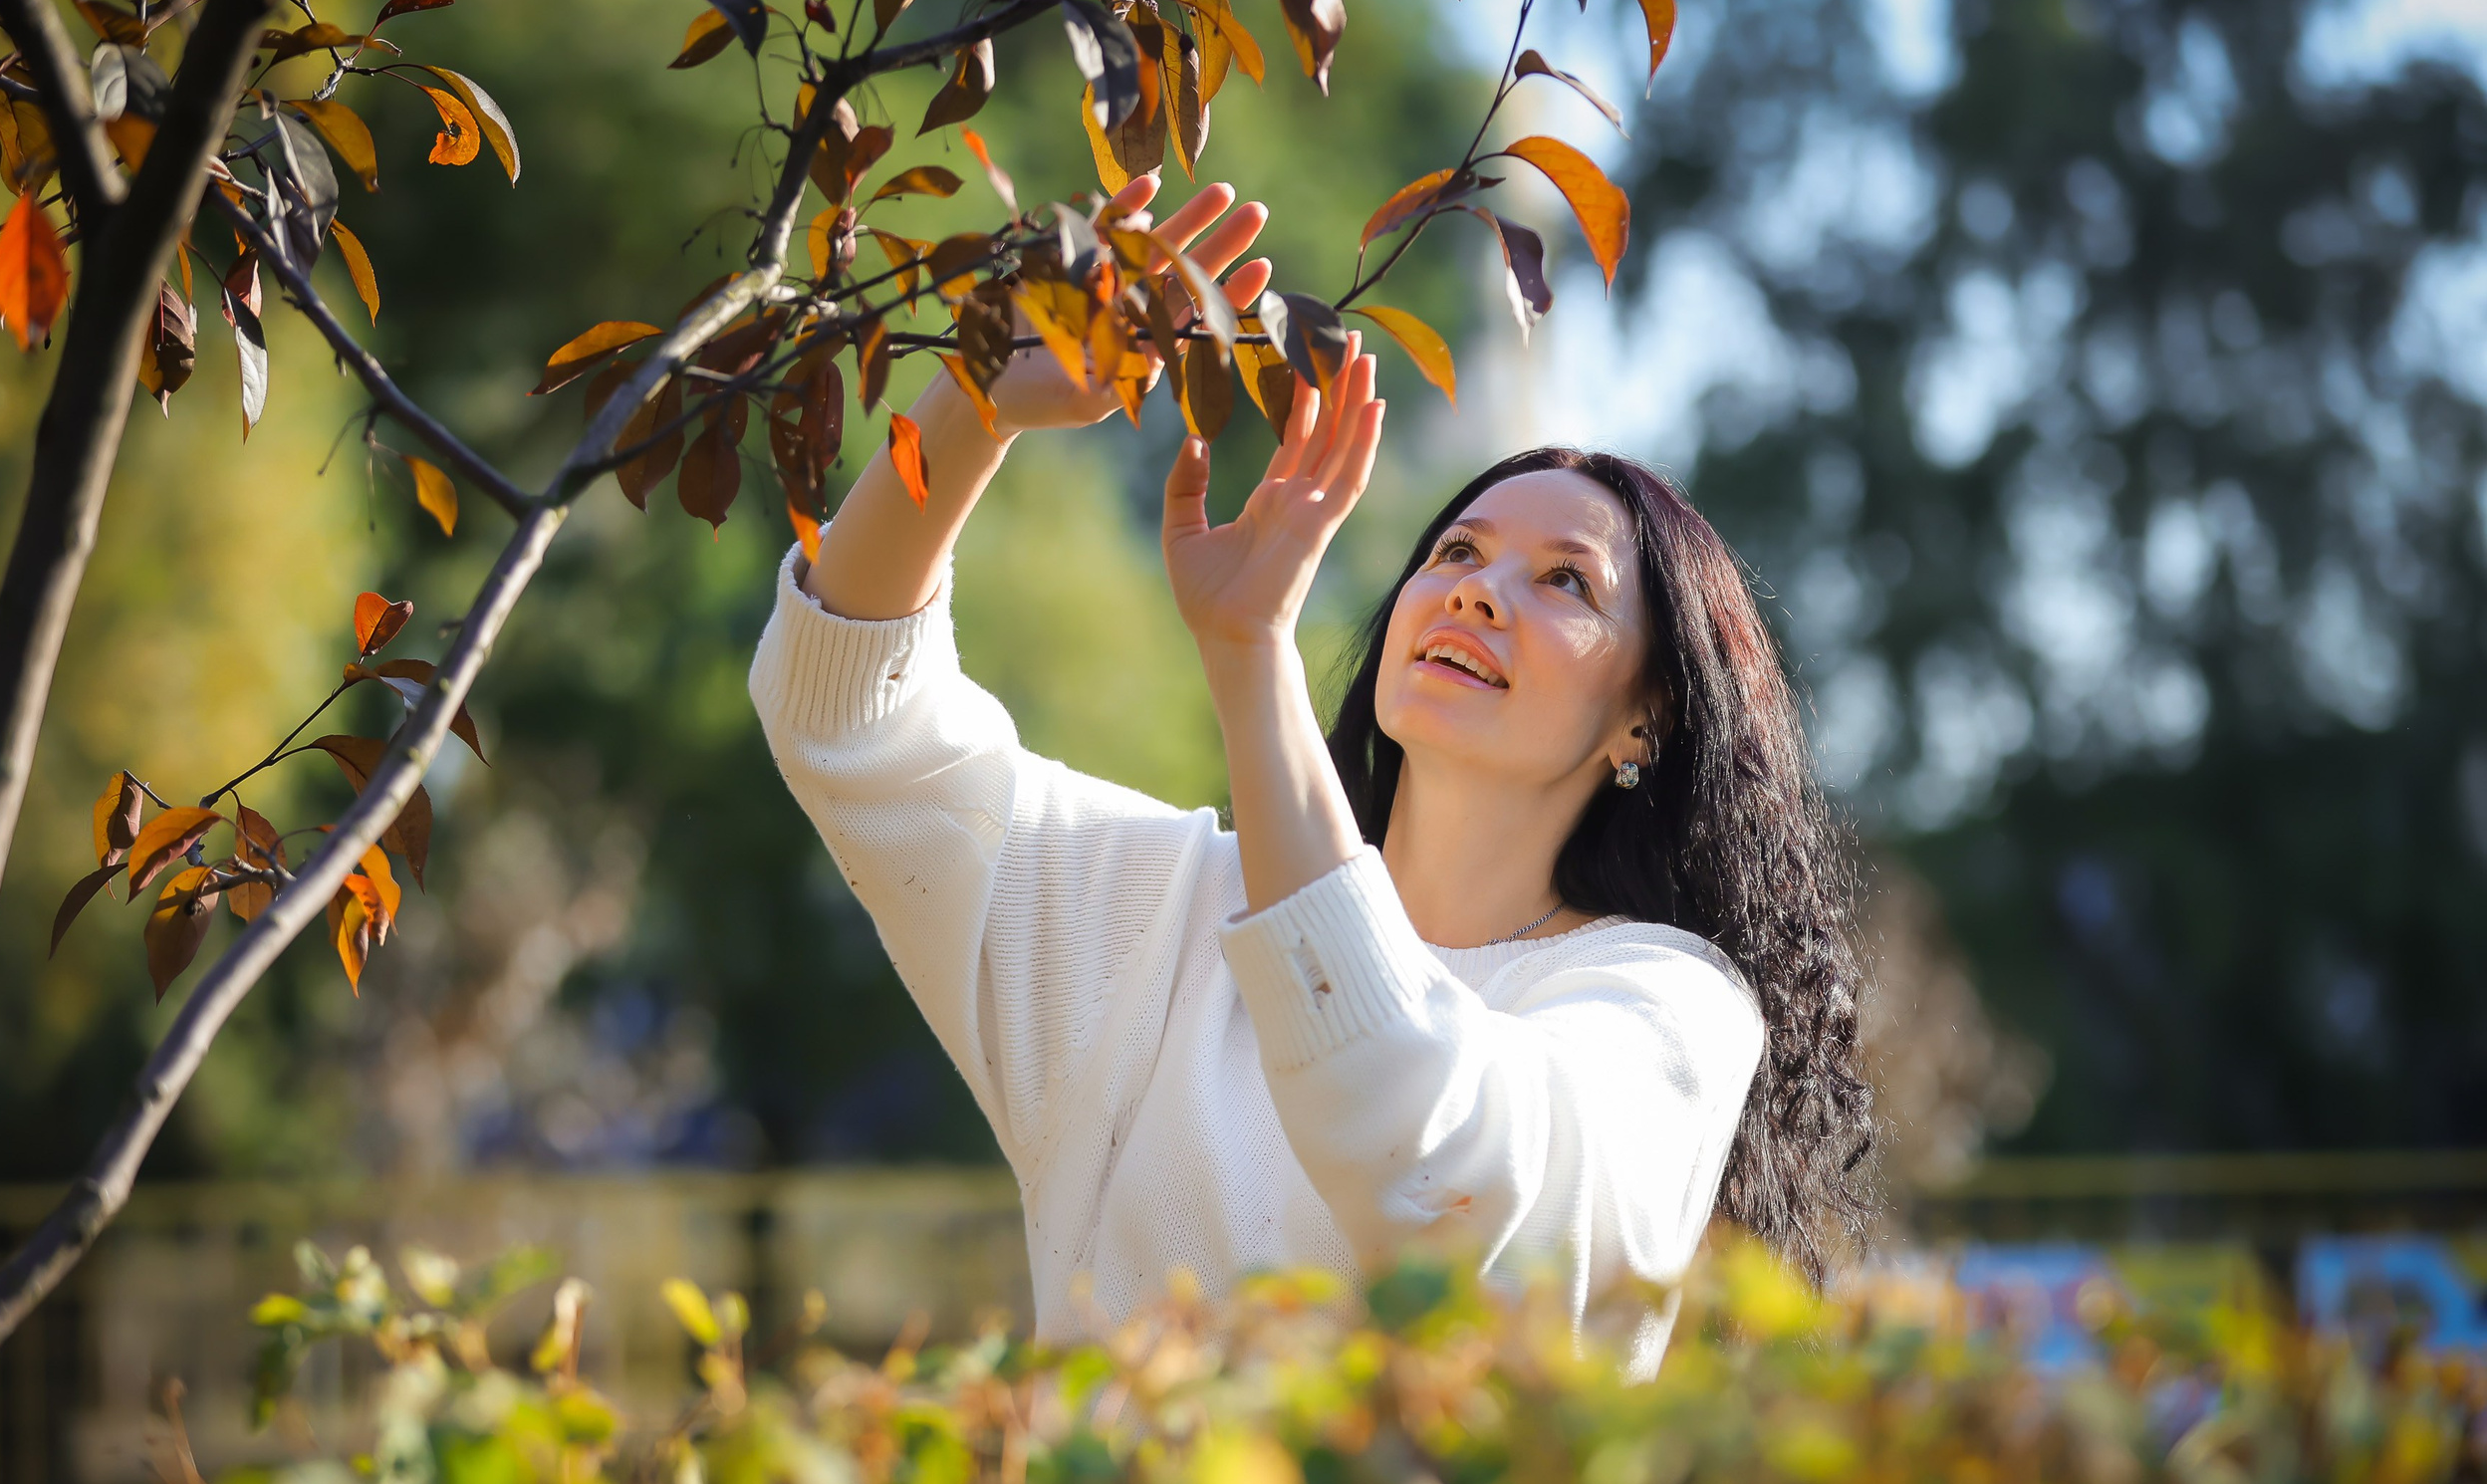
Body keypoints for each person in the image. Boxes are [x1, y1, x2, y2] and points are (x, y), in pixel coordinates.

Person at [750, 176, 1874, 1371]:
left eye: (1567, 582)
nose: (1476, 589)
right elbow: (849, 719)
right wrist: (974, 401)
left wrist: (1249, 660)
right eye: (1458, 550)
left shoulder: (1663, 1006)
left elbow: (1438, 1179)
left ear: (1642, 726)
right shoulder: (1167, 912)